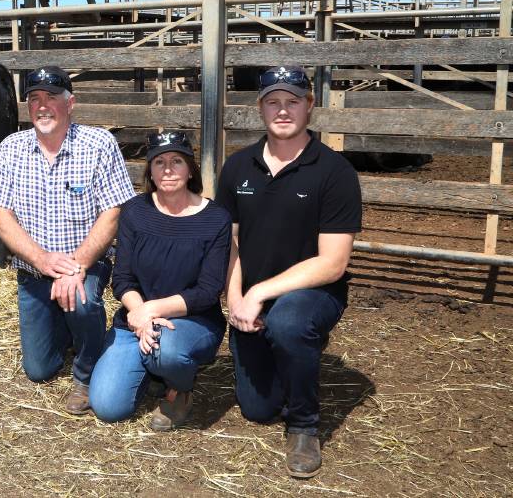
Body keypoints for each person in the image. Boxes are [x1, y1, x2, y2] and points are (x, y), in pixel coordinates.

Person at [215, 66, 361, 478]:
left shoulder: (334, 172)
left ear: (309, 106)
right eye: (273, 101)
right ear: (260, 108)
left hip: (314, 290)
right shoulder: (238, 166)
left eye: (292, 101)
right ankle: (285, 360)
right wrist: (236, 297)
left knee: (290, 322)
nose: (283, 110)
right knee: (257, 409)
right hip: (253, 292)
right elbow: (230, 243)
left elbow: (333, 262)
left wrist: (260, 292)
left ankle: (304, 424)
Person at [0, 65, 136, 415]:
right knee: (39, 370)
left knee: (82, 303)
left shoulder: (98, 144)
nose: (42, 106)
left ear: (70, 104)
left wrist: (75, 266)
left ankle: (87, 369)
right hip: (34, 272)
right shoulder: (11, 147)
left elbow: (112, 212)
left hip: (85, 266)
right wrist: (41, 260)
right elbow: (0, 215)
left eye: (51, 98)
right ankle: (67, 329)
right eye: (34, 98)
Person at [88, 131, 230, 430]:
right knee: (107, 407)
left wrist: (152, 310)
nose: (168, 169)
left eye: (176, 161)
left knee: (167, 353)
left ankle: (179, 388)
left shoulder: (215, 218)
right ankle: (151, 372)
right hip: (135, 319)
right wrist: (139, 315)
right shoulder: (135, 212)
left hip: (192, 321)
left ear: (190, 168)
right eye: (159, 162)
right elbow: (123, 278)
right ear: (149, 171)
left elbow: (208, 291)